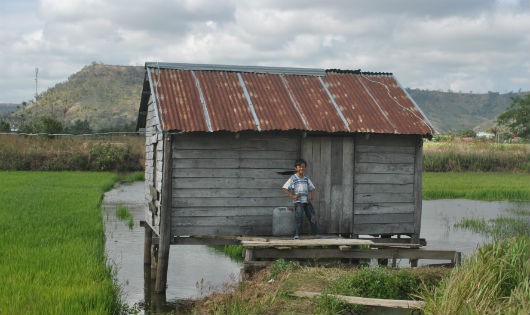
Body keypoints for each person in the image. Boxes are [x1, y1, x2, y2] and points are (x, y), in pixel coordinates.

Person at [282, 158, 318, 239]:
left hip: (306, 202)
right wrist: (293, 196)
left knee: (312, 217)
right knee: (299, 218)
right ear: (296, 168)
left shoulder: (306, 178)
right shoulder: (293, 178)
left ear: (305, 168)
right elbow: (285, 188)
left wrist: (311, 198)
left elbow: (312, 188)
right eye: (299, 167)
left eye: (303, 167)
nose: (301, 168)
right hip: (298, 202)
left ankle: (315, 234)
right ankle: (297, 235)